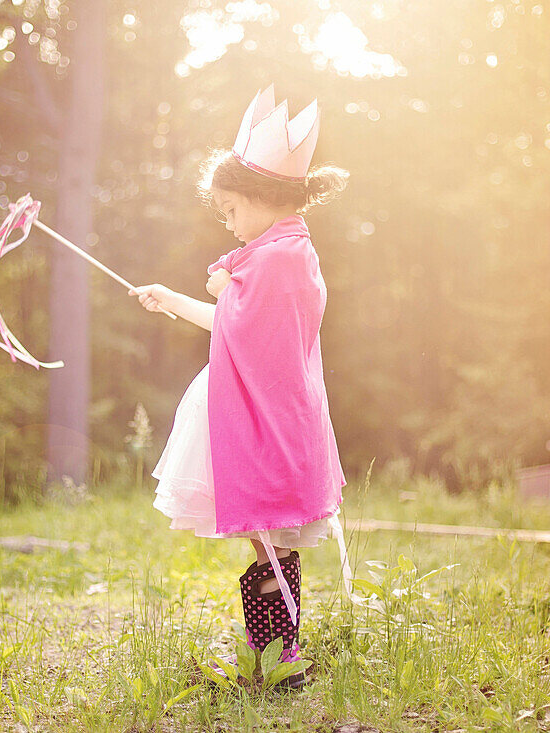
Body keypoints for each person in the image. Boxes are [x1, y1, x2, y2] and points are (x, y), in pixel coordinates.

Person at [128, 84, 350, 689]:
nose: (227, 223)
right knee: (265, 535)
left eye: (229, 210)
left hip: (260, 412)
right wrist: (175, 299)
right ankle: (275, 654)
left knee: (268, 535)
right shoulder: (278, 250)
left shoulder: (279, 258)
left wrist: (228, 290)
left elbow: (256, 336)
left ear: (259, 198)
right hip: (252, 407)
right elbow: (234, 326)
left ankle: (278, 659)